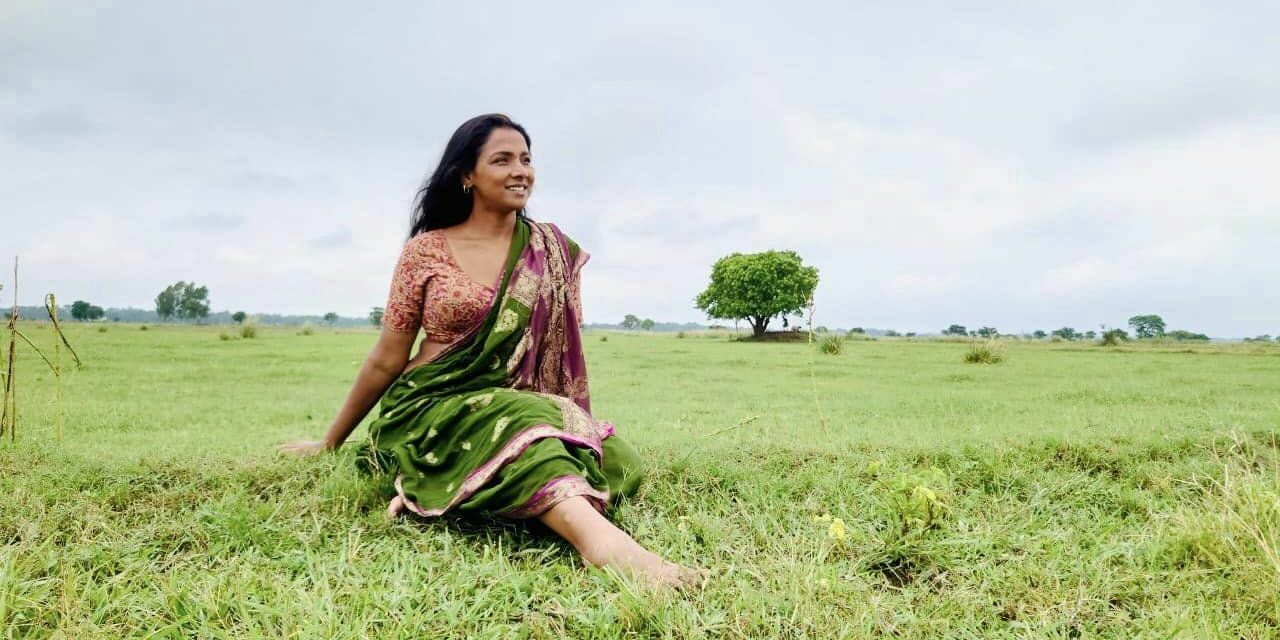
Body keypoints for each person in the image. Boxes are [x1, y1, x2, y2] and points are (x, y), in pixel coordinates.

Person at [281, 114, 701, 589]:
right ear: (467, 175)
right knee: (531, 438)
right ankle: (612, 551)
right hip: (431, 406)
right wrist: (330, 441)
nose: (520, 170)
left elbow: (551, 348)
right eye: (502, 160)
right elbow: (387, 356)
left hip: (511, 401)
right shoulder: (426, 251)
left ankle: (461, 489)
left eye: (526, 159)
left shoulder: (549, 248)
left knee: (615, 459)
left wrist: (552, 414)